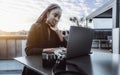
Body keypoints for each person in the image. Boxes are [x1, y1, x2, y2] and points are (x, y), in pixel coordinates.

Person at [22, 3, 67, 75]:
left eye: (59, 17)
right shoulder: (35, 27)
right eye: (55, 15)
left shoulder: (55, 30)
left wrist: (58, 32)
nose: (57, 19)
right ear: (47, 13)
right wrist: (50, 50)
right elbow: (28, 50)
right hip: (34, 68)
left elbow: (66, 46)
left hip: (50, 68)